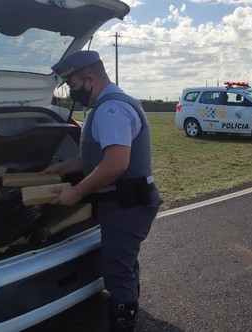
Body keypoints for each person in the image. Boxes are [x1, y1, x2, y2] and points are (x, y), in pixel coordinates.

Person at [43, 50, 162, 332]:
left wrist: (76, 192)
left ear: (90, 79)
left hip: (127, 204)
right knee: (123, 260)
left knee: (117, 269)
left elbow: (115, 164)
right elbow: (94, 155)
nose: (73, 92)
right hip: (122, 203)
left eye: (73, 86)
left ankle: (123, 320)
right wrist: (60, 169)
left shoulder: (111, 111)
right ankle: (128, 296)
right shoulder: (105, 106)